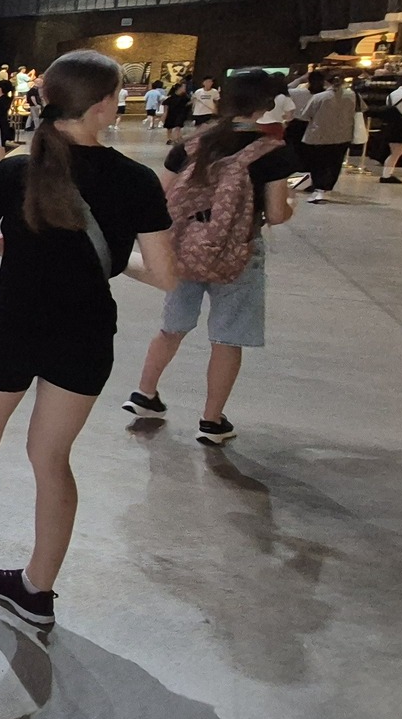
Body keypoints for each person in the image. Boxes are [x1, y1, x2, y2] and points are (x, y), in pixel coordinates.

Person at [0, 51, 176, 630]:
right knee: (52, 460)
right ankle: (35, 591)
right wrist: (107, 261)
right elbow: (165, 275)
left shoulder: (16, 172)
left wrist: (10, 244)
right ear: (102, 106)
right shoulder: (137, 180)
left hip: (14, 327)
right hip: (86, 335)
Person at [121, 72, 294, 445]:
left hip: (185, 249)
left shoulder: (191, 144)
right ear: (267, 105)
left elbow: (159, 196)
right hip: (238, 253)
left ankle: (145, 394)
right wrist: (290, 205)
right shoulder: (272, 152)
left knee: (172, 327)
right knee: (227, 338)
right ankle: (211, 421)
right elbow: (278, 214)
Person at [297, 74, 357, 202]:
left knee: (318, 163)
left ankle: (319, 189)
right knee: (336, 163)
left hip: (319, 135)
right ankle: (328, 187)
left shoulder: (319, 97)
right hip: (344, 134)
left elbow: (305, 115)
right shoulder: (352, 95)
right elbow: (360, 110)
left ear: (326, 82)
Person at [162, 78, 193, 143]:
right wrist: (164, 115)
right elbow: (166, 107)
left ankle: (177, 138)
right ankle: (170, 138)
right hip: (171, 114)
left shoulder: (185, 97)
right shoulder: (171, 98)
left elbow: (188, 104)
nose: (185, 89)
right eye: (183, 87)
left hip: (180, 114)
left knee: (178, 126)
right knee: (170, 127)